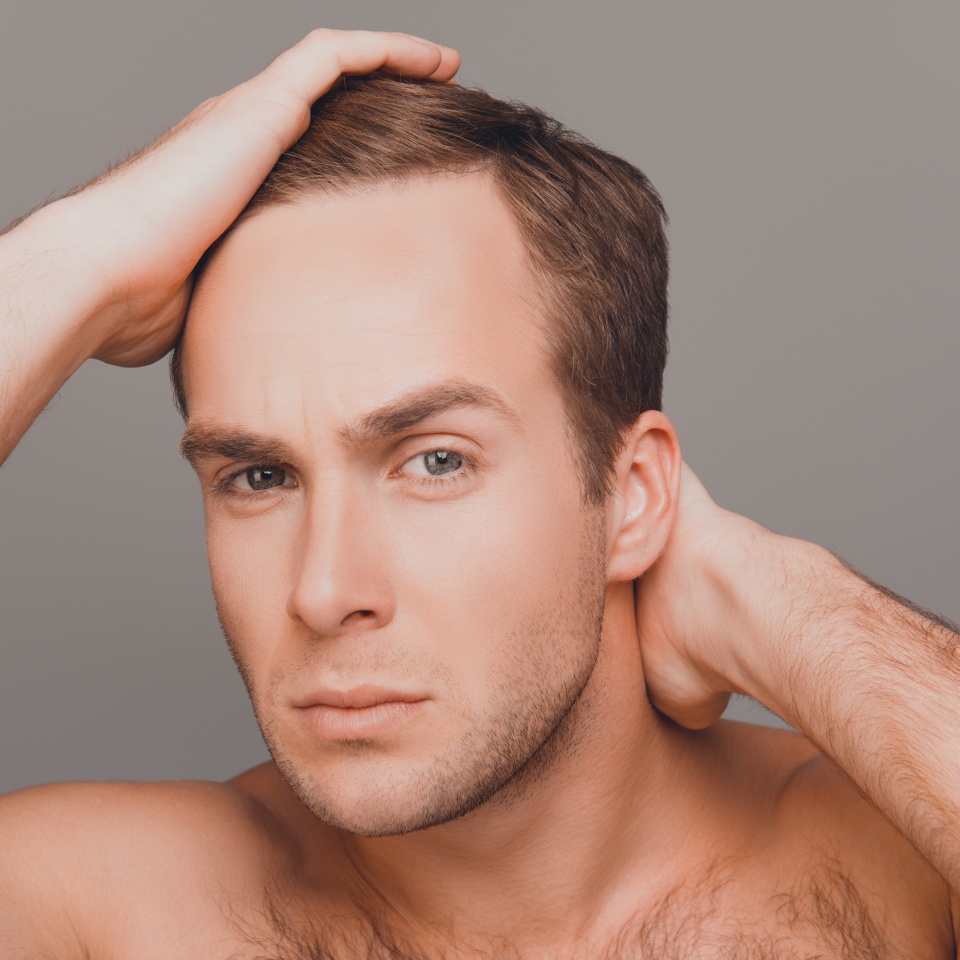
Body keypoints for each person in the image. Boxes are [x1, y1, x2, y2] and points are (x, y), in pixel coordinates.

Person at [0, 28, 957, 959]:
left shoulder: (897, 869)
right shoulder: (107, 912)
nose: (324, 591)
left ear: (632, 498)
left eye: (437, 461)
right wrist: (75, 258)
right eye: (260, 477)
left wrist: (777, 601)